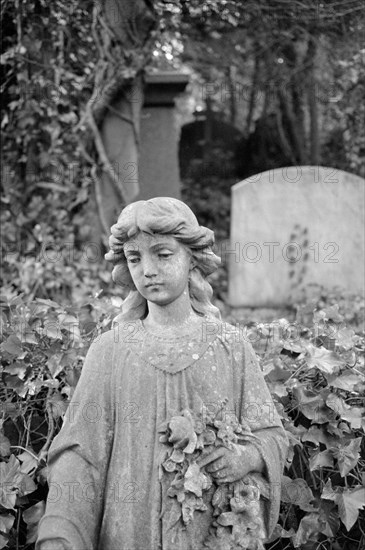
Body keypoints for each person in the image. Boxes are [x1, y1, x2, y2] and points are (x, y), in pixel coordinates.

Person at [36, 197, 288, 550]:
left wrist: (247, 456)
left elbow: (273, 436)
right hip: (128, 536)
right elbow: (80, 458)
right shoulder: (110, 350)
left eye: (163, 254)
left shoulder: (231, 347)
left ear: (192, 258)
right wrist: (61, 536)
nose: (148, 270)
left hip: (212, 533)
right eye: (135, 258)